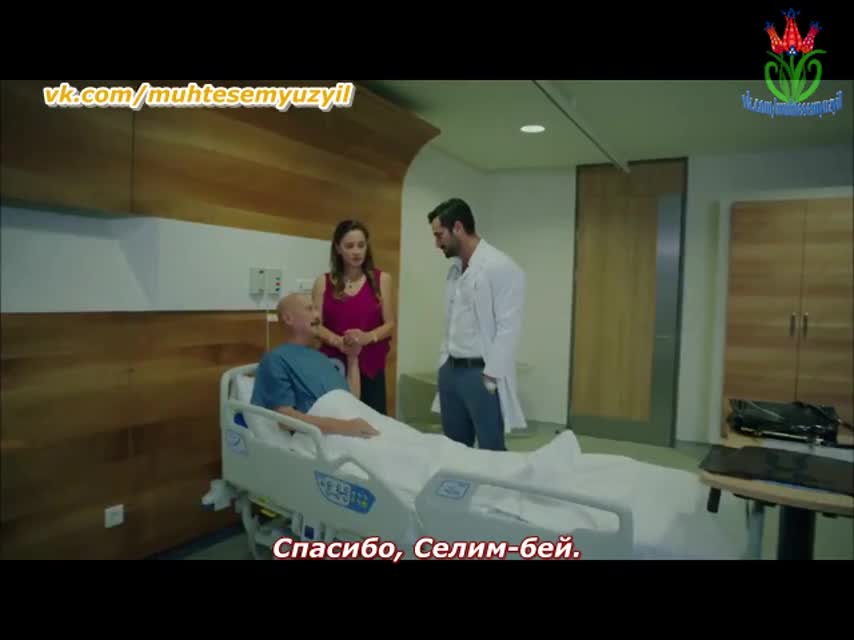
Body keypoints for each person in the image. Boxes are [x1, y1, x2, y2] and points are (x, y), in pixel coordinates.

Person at [427, 197, 527, 451]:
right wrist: (443, 366)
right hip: (451, 371)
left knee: (492, 451)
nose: (436, 243)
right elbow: (451, 323)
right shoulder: (455, 269)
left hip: (481, 374)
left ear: (458, 228)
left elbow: (508, 329)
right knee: (454, 450)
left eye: (439, 235)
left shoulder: (501, 267)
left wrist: (490, 376)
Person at [251, 292, 380, 438]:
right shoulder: (275, 360)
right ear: (288, 318)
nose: (317, 315)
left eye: (316, 309)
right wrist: (345, 427)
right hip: (326, 437)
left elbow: (351, 399)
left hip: (354, 427)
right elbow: (285, 419)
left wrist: (353, 358)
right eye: (309, 309)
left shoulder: (320, 357)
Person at [312, 220, 395, 415]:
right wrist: (338, 341)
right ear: (338, 249)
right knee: (337, 420)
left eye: (361, 245)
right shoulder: (323, 282)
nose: (356, 252)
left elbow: (390, 324)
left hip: (370, 366)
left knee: (373, 422)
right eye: (349, 246)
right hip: (334, 366)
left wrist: (367, 337)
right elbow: (315, 325)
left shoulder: (382, 280)